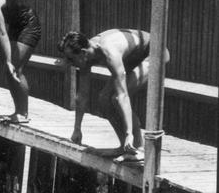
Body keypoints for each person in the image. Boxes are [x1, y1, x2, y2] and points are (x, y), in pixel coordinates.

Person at [57, 29, 165, 162]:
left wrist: (129, 133)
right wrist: (77, 129)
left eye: (70, 59)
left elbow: (123, 96)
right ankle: (124, 147)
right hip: (132, 56)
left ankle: (138, 148)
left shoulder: (109, 52)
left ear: (83, 53)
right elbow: (82, 96)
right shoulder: (85, 56)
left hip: (155, 52)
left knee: (115, 97)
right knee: (103, 99)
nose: (68, 63)